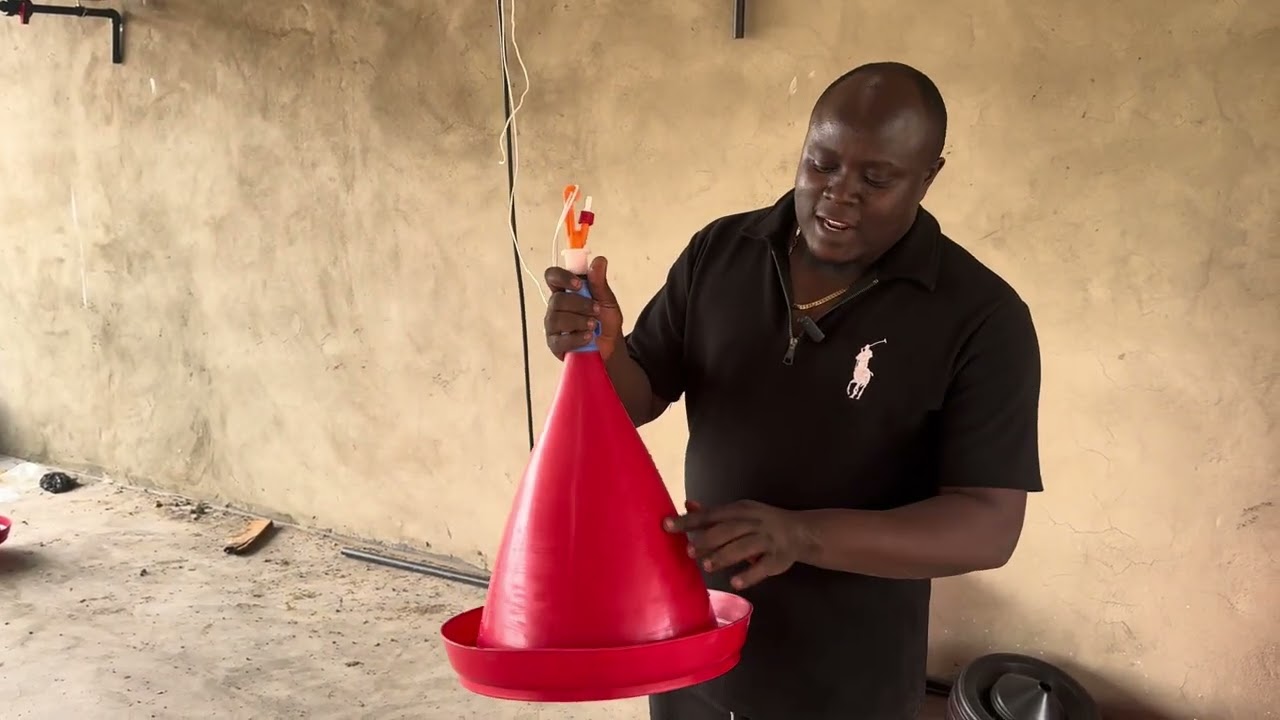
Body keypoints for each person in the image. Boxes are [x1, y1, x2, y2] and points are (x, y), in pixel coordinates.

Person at [542, 61, 1043, 720]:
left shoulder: (981, 316)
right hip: (691, 640)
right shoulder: (722, 252)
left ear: (929, 176)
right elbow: (635, 398)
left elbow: (988, 527)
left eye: (876, 179)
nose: (839, 194)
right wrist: (599, 355)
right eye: (821, 164)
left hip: (844, 681)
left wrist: (801, 536)